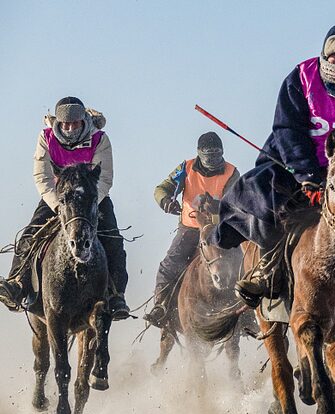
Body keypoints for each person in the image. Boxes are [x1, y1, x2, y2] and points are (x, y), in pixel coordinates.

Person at [211, 24, 335, 326]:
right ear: (324, 56)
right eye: (334, 57)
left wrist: (333, 175)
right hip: (293, 162)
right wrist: (308, 176)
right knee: (265, 200)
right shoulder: (299, 79)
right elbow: (288, 130)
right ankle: (268, 270)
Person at [0, 97, 129, 319]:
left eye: (75, 124)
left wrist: (86, 206)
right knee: (31, 233)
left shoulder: (100, 139)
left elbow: (105, 177)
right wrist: (59, 205)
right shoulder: (46, 137)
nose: (69, 128)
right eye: (65, 124)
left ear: (83, 121)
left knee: (113, 239)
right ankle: (17, 282)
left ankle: (116, 295)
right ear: (58, 123)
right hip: (58, 197)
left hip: (92, 197)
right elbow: (42, 176)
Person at [143, 132, 240, 328]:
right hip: (190, 229)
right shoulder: (185, 168)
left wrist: (217, 205)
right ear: (199, 154)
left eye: (216, 154)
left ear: (222, 152)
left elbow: (236, 203)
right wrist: (166, 201)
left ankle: (248, 311)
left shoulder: (232, 172)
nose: (213, 159)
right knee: (169, 265)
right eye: (208, 155)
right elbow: (161, 188)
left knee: (242, 263)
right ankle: (160, 306)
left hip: (219, 230)